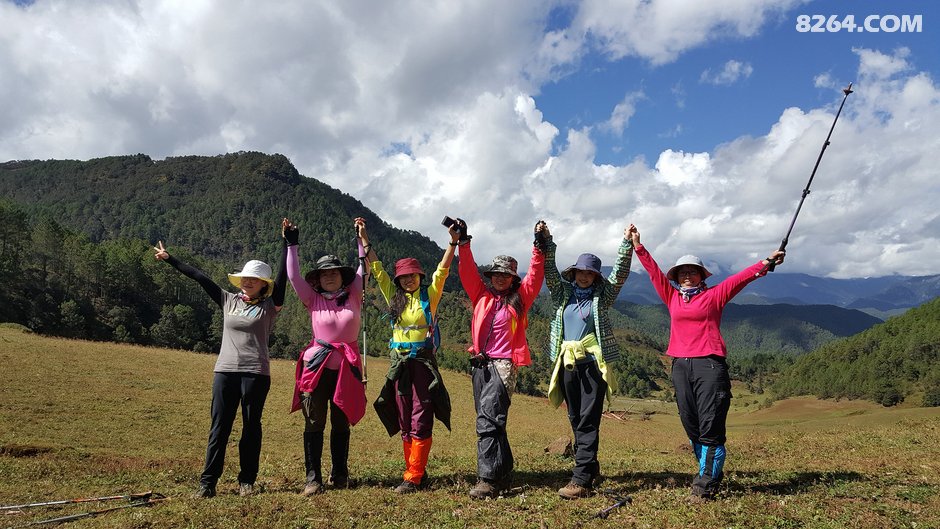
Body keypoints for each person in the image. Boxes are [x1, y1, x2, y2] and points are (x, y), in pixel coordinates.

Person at [628, 226, 785, 502]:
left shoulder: (714, 295)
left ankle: (705, 485)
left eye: (693, 272)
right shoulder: (672, 297)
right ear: (676, 277)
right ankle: (710, 470)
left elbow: (740, 279)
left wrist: (767, 262)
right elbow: (654, 273)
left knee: (710, 426)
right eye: (682, 273)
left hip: (709, 365)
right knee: (691, 424)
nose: (687, 276)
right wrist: (638, 246)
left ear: (702, 275)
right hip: (680, 366)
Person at [153, 239, 286, 498]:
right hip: (225, 371)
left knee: (251, 428)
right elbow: (200, 278)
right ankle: (207, 483)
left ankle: (247, 481)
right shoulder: (228, 300)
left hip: (256, 373)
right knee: (219, 428)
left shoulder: (270, 306)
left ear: (264, 284)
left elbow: (283, 278)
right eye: (245, 277)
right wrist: (170, 259)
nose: (248, 281)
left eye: (254, 279)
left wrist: (286, 243)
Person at [361, 218, 455, 494]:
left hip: (422, 364)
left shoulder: (430, 295)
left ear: (420, 277)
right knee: (404, 415)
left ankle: (414, 476)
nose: (408, 279)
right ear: (398, 280)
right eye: (403, 276)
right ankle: (414, 471)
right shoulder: (393, 296)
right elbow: (377, 271)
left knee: (421, 415)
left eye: (412, 275)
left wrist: (452, 243)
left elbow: (442, 271)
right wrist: (365, 239)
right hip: (399, 364)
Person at [454, 218, 546, 499]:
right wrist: (464, 242)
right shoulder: (480, 295)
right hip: (480, 364)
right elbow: (467, 271)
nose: (500, 278)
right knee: (491, 419)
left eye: (505, 275)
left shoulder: (521, 298)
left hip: (504, 365)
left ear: (513, 278)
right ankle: (503, 472)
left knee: (488, 419)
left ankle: (488, 479)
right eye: (496, 274)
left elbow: (535, 276)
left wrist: (539, 246)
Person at [542, 222, 634, 499]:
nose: (584, 277)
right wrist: (546, 241)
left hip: (593, 364)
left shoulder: (601, 299)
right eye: (581, 272)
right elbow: (549, 271)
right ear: (574, 273)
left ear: (595, 277)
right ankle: (590, 467)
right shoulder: (563, 294)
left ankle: (581, 479)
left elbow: (619, 276)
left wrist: (626, 245)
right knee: (574, 415)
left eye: (590, 273)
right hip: (567, 363)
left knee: (588, 419)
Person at [283, 218, 367, 496]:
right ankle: (313, 478)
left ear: (343, 276)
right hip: (316, 368)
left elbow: (363, 267)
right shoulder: (313, 299)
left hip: (347, 368)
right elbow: (294, 277)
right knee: (314, 421)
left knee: (341, 422)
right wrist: (292, 244)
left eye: (334, 272)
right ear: (318, 279)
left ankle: (340, 474)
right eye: (324, 273)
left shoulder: (354, 294)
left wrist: (360, 239)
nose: (329, 276)